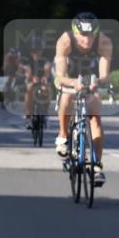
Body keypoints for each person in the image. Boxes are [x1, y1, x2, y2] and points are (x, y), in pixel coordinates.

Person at [53, 12, 113, 185]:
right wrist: (73, 83)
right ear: (75, 33)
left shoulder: (104, 42)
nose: (87, 40)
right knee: (66, 97)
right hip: (69, 76)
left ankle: (96, 165)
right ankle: (63, 135)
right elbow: (61, 76)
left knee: (95, 116)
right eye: (83, 35)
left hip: (91, 76)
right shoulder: (64, 41)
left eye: (91, 35)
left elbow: (104, 75)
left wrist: (97, 82)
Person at [22, 39, 53, 126]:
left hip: (43, 78)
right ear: (31, 52)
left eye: (38, 51)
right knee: (29, 89)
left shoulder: (46, 57)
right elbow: (27, 71)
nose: (36, 53)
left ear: (41, 51)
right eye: (34, 51)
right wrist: (31, 78)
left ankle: (45, 111)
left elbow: (47, 68)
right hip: (32, 78)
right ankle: (28, 115)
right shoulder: (27, 59)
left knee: (47, 89)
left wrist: (45, 77)